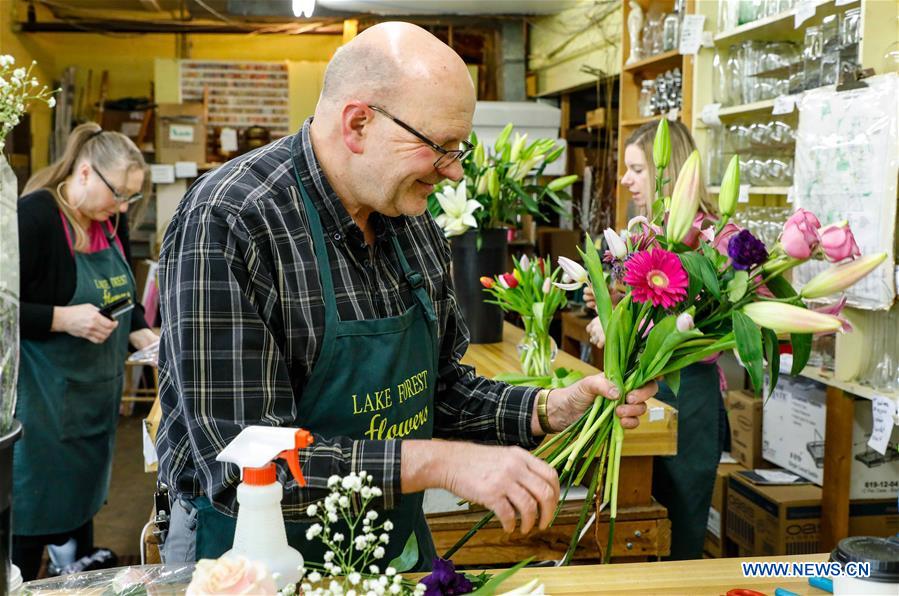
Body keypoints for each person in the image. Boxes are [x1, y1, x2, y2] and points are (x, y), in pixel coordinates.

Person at [156, 22, 657, 570]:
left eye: (459, 149)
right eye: (441, 147)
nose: (455, 171)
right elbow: (248, 464)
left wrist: (548, 409)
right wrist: (441, 464)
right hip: (251, 564)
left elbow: (438, 391)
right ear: (359, 123)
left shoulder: (408, 217)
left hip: (393, 552)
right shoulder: (232, 220)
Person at [13, 122, 158, 580]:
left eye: (130, 199)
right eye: (118, 194)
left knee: (81, 521)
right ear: (84, 173)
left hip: (93, 403)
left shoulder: (107, 220)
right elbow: (2, 307)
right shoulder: (34, 217)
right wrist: (61, 318)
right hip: (42, 411)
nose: (122, 207)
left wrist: (142, 332)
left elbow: (123, 297)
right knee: (33, 525)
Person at [585, 119, 728, 560]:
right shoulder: (647, 233)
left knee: (680, 530)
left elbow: (700, 323)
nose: (625, 179)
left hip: (690, 399)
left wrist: (619, 326)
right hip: (643, 388)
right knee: (635, 520)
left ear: (669, 169)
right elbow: (657, 307)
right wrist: (614, 302)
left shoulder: (714, 239)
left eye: (636, 169)